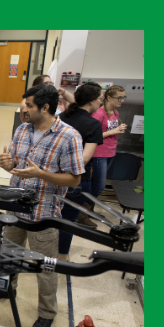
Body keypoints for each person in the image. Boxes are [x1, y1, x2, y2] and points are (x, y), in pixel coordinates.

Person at [0, 84, 86, 327]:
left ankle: (47, 313)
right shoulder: (22, 130)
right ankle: (7, 288)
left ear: (45, 108)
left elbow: (74, 179)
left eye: (29, 105)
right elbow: (15, 165)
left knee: (45, 267)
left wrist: (42, 174)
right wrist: (7, 164)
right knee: (8, 256)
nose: (24, 109)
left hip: (43, 214)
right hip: (15, 208)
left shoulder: (69, 136)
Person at [57, 82, 106, 252]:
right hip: (75, 180)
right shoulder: (93, 124)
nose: (101, 102)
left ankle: (45, 253)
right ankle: (61, 258)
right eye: (100, 99)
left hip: (52, 176)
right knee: (67, 222)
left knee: (49, 217)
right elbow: (84, 159)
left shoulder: (61, 117)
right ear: (91, 101)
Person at [91, 85, 128, 179]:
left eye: (123, 97)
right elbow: (92, 135)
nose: (122, 100)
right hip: (99, 153)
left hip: (111, 151)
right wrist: (114, 131)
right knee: (99, 183)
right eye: (119, 98)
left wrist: (118, 129)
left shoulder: (116, 113)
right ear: (109, 98)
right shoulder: (99, 113)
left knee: (98, 181)